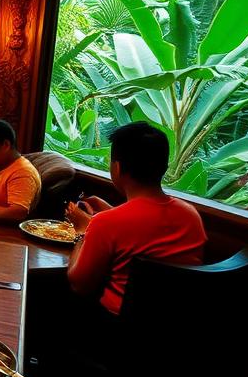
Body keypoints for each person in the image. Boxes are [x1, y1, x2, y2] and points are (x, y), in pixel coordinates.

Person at [65, 121, 206, 316]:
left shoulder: (107, 223)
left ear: (117, 167)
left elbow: (79, 285)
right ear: (164, 167)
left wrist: (82, 231)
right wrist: (108, 213)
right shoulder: (190, 215)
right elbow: (147, 228)